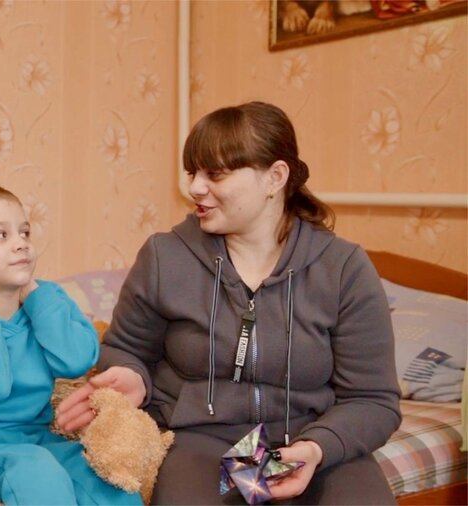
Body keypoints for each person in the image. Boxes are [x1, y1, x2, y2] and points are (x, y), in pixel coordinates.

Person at [57, 102, 402, 504]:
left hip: (310, 440)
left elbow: (373, 399)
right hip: (201, 440)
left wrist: (316, 448)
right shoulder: (165, 257)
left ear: (275, 177)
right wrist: (131, 375)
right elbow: (126, 349)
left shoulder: (343, 268)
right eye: (194, 173)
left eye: (215, 174)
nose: (195, 188)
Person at [0, 186, 141, 505]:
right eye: (1, 235)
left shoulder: (44, 300)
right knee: (34, 470)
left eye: (24, 232)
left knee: (105, 478)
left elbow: (76, 360)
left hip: (32, 438)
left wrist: (37, 296)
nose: (20, 243)